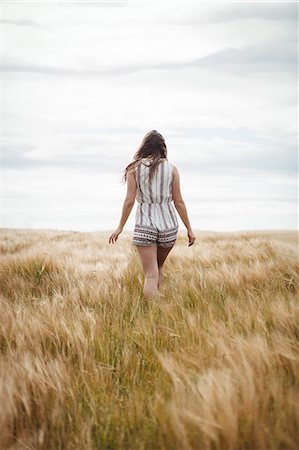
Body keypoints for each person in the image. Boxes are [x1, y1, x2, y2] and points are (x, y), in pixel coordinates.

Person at [108, 130, 196, 299]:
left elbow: (129, 200)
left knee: (150, 274)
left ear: (144, 146)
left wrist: (120, 227)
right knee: (159, 267)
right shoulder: (172, 170)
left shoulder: (134, 169)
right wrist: (189, 229)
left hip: (145, 225)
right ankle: (159, 311)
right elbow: (179, 202)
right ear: (163, 148)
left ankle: (152, 313)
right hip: (168, 225)